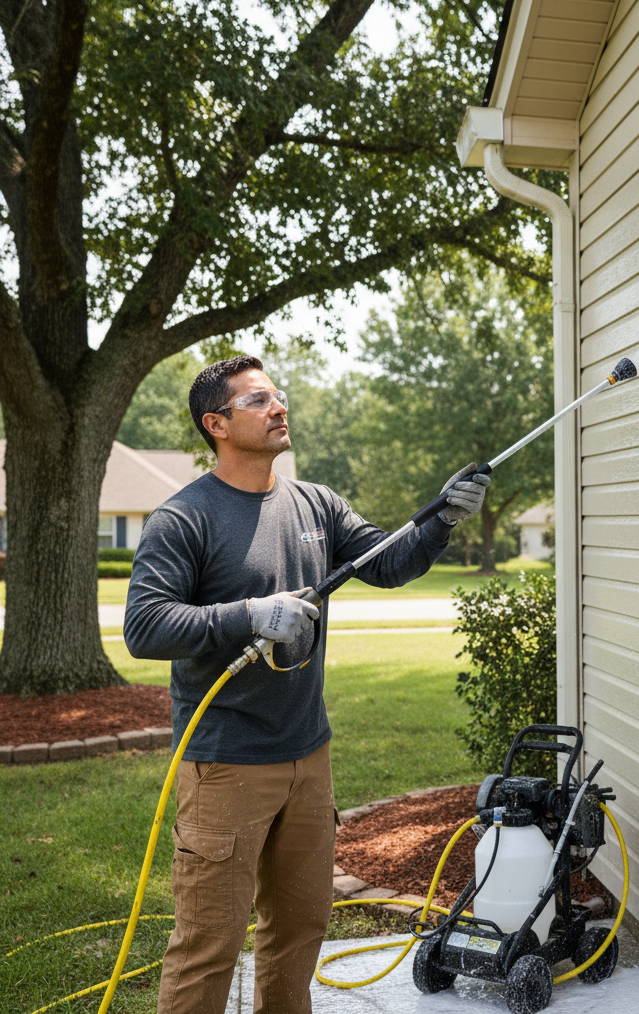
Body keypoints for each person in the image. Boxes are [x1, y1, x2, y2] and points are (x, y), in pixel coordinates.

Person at [123, 354, 489, 1014]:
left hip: (307, 757)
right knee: (209, 945)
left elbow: (389, 562)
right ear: (218, 423)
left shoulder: (316, 503)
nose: (278, 408)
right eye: (259, 401)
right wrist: (250, 615)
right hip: (225, 767)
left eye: (278, 397)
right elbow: (145, 627)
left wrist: (442, 519)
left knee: (298, 931)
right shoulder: (184, 518)